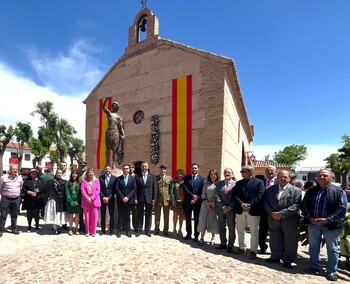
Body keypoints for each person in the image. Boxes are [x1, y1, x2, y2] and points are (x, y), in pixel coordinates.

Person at [301, 169, 348, 282]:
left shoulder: (338, 191)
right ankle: (314, 266)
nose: (322, 177)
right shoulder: (311, 191)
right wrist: (310, 217)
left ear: (331, 177)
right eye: (319, 175)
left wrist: (327, 220)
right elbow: (303, 205)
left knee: (332, 248)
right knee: (313, 246)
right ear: (316, 178)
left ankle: (332, 271)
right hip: (313, 224)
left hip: (331, 225)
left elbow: (342, 208)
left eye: (325, 175)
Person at [264, 170, 302, 268]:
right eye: (280, 177)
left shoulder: (296, 190)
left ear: (289, 178)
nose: (283, 179)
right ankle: (275, 257)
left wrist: (281, 214)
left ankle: (288, 259)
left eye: (285, 177)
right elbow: (266, 202)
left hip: (289, 220)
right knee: (274, 238)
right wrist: (272, 213)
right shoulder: (270, 189)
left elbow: (296, 205)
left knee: (290, 240)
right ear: (277, 178)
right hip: (273, 219)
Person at [233, 165, 264, 260]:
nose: (242, 173)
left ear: (250, 172)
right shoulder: (238, 183)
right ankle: (242, 247)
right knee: (240, 229)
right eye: (241, 171)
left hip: (253, 210)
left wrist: (249, 205)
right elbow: (235, 195)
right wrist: (242, 204)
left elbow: (260, 195)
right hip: (240, 209)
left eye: (243, 171)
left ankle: (253, 251)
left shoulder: (259, 182)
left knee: (254, 232)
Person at [214, 168, 236, 252]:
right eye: (225, 172)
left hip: (231, 209)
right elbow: (216, 195)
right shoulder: (219, 184)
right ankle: (223, 243)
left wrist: (229, 207)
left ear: (232, 173)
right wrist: (223, 207)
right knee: (221, 227)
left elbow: (236, 197)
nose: (227, 174)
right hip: (221, 209)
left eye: (229, 172)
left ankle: (230, 245)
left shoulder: (236, 184)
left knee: (231, 227)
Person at [183, 163, 205, 242]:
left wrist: (196, 197)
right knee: (188, 218)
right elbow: (185, 188)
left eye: (195, 168)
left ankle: (196, 235)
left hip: (198, 202)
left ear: (198, 169)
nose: (194, 169)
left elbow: (202, 189)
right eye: (193, 168)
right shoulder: (186, 177)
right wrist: (192, 196)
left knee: (197, 219)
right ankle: (188, 233)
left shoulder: (202, 178)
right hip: (188, 201)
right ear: (190, 169)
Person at [197, 169, 220, 246]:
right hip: (205, 205)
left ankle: (213, 238)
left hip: (215, 205)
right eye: (211, 174)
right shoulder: (206, 184)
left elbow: (219, 196)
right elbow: (203, 194)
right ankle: (202, 238)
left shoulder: (219, 184)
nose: (213, 176)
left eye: (214, 174)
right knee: (203, 221)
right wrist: (207, 203)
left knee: (213, 221)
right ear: (209, 175)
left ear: (216, 175)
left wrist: (212, 204)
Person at [41, 169, 67, 234]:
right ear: (56, 173)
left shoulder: (64, 182)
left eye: (60, 173)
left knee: (60, 214)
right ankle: (55, 228)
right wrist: (49, 195)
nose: (59, 174)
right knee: (55, 214)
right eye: (58, 173)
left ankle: (59, 227)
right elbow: (43, 187)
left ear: (62, 174)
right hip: (54, 200)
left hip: (62, 200)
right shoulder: (51, 181)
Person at [0, 165, 23, 237]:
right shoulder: (3, 178)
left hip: (16, 199)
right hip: (6, 199)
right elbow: (0, 187)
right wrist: (3, 195)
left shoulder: (20, 178)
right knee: (3, 215)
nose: (15, 170)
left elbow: (21, 187)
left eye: (16, 169)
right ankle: (1, 229)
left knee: (14, 215)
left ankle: (14, 228)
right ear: (10, 170)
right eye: (14, 169)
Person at [135, 162, 157, 237]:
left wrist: (154, 198)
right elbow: (135, 188)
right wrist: (135, 198)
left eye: (146, 166)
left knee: (149, 215)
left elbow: (155, 188)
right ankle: (139, 230)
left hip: (149, 198)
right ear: (141, 167)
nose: (144, 168)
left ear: (148, 167)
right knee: (139, 215)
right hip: (140, 198)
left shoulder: (153, 176)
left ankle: (147, 230)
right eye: (143, 166)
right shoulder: (137, 176)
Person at [102, 98, 126, 168]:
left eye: (116, 106)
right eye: (113, 105)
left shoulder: (119, 117)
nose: (114, 106)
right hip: (109, 132)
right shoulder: (109, 113)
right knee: (107, 149)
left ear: (117, 108)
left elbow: (120, 127)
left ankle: (113, 165)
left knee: (114, 150)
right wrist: (106, 99)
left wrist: (123, 134)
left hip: (116, 133)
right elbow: (103, 107)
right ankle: (107, 163)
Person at [259, 165, 277, 254]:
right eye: (268, 170)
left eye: (272, 170)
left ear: (275, 172)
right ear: (265, 172)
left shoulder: (279, 182)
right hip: (263, 210)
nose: (270, 172)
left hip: (275, 211)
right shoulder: (260, 182)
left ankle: (275, 250)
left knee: (275, 231)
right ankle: (262, 247)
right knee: (262, 230)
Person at [116, 164, 136, 237]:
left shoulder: (132, 178)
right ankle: (119, 230)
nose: (125, 170)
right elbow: (117, 189)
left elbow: (134, 189)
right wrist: (122, 197)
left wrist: (128, 197)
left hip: (129, 200)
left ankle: (128, 231)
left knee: (128, 216)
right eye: (124, 169)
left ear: (129, 170)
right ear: (122, 170)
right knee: (120, 216)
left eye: (127, 169)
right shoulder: (118, 179)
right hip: (120, 200)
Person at [81, 168, 101, 237]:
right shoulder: (84, 181)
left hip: (94, 201)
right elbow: (82, 190)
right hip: (86, 201)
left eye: (92, 172)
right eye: (89, 172)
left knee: (94, 217)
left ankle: (93, 231)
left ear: (94, 173)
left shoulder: (97, 181)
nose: (90, 174)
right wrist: (87, 198)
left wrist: (92, 198)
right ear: (87, 173)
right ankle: (88, 231)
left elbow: (97, 191)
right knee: (87, 217)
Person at [99, 164, 118, 235]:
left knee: (111, 214)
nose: (107, 170)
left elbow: (115, 190)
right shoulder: (101, 178)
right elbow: (99, 189)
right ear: (104, 170)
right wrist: (103, 197)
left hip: (111, 199)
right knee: (103, 214)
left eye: (108, 169)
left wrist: (109, 197)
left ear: (111, 170)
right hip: (102, 199)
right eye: (106, 169)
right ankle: (103, 230)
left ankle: (111, 230)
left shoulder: (114, 178)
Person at [154, 164, 172, 236]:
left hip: (166, 199)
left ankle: (165, 230)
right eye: (161, 169)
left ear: (166, 170)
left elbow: (171, 189)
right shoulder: (156, 178)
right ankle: (157, 229)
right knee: (157, 215)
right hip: (158, 199)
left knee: (166, 216)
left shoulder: (169, 178)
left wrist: (170, 197)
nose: (162, 170)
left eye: (164, 169)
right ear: (159, 170)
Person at [169, 169, 186, 237]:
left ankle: (180, 229)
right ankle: (174, 229)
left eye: (181, 174)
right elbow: (171, 191)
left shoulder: (185, 182)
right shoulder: (174, 182)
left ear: (183, 175)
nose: (180, 175)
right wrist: (172, 200)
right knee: (175, 216)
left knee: (181, 217)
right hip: (175, 201)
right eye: (178, 174)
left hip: (183, 202)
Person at [65, 169, 82, 235]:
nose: (74, 175)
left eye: (76, 174)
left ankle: (77, 228)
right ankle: (70, 228)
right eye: (73, 174)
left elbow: (81, 193)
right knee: (70, 215)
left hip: (78, 201)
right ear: (71, 175)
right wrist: (70, 201)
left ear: (77, 175)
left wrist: (77, 201)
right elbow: (67, 193)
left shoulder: (79, 183)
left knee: (77, 215)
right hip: (70, 202)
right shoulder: (68, 183)